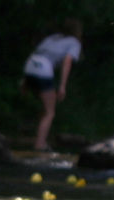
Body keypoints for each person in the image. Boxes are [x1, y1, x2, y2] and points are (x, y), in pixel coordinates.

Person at [22, 20, 83, 152]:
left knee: (44, 107)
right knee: (50, 112)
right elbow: (67, 61)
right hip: (43, 69)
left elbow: (37, 52)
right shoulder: (74, 43)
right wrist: (62, 85)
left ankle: (39, 138)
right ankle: (39, 144)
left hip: (30, 65)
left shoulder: (52, 38)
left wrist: (24, 80)